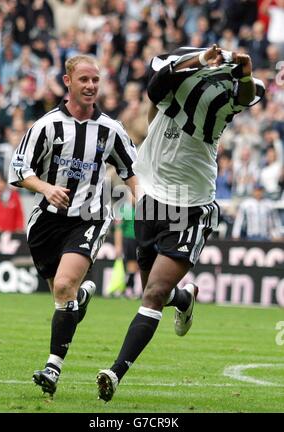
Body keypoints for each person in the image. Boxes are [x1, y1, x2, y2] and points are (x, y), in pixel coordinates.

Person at [96, 44, 265, 401]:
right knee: (151, 289)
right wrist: (202, 60)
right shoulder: (166, 90)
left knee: (154, 294)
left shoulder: (221, 101)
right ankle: (184, 299)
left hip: (191, 206)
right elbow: (157, 83)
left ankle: (116, 371)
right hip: (151, 200)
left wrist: (246, 71)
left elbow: (248, 94)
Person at [8, 54, 137, 397]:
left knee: (63, 287)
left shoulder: (111, 130)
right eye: (84, 80)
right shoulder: (46, 126)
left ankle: (52, 368)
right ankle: (80, 298)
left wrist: (144, 204)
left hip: (90, 217)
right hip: (47, 223)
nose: (91, 86)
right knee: (64, 298)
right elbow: (19, 170)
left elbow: (132, 170)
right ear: (68, 82)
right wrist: (47, 188)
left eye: (95, 80)